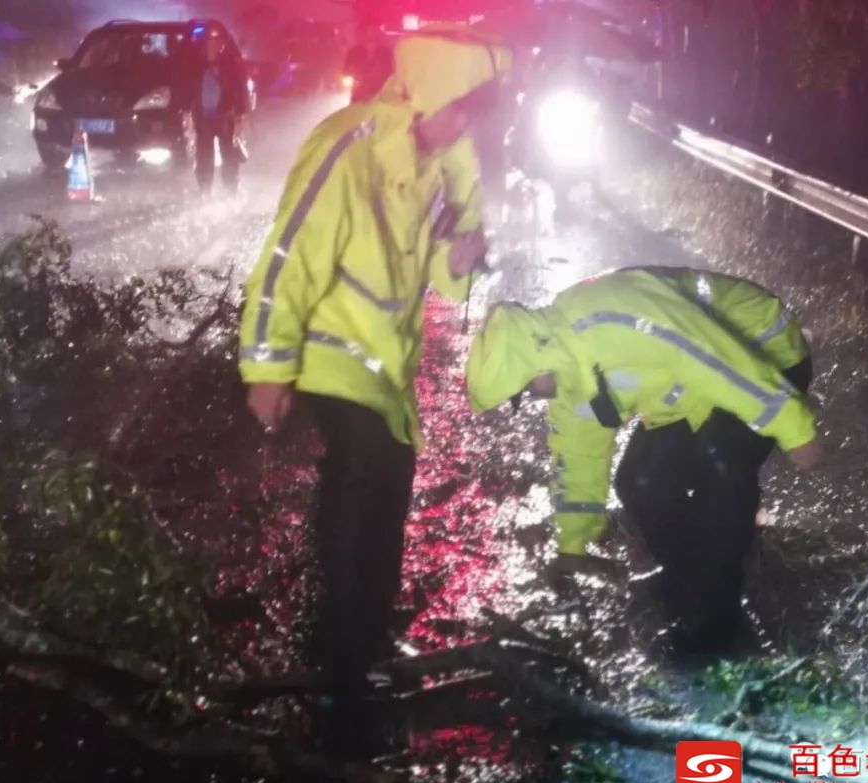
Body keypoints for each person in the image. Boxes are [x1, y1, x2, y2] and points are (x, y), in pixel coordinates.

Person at [239, 29, 512, 717]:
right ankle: (334, 649)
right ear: (427, 98)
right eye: (460, 107)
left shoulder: (440, 160)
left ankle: (362, 641)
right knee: (358, 483)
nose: (466, 122)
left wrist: (464, 251)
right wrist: (267, 365)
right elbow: (289, 255)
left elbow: (443, 270)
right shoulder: (348, 144)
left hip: (387, 364)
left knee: (387, 490)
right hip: (332, 354)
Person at [465, 266, 822, 654]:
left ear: (536, 362)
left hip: (760, 355)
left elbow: (715, 359)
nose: (531, 400)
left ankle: (716, 634)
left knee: (719, 481)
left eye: (524, 391)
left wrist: (794, 428)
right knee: (638, 481)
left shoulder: (611, 317)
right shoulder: (569, 371)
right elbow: (577, 455)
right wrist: (573, 545)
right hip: (692, 392)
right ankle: (692, 576)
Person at [192, 27, 249, 194]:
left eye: (216, 43)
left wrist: (240, 113)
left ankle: (231, 189)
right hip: (203, 118)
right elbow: (189, 88)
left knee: (229, 156)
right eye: (209, 43)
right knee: (204, 157)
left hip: (224, 117)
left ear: (221, 45)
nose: (213, 47)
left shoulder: (230, 65)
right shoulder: (196, 65)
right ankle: (205, 190)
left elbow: (238, 89)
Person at [342, 22, 394, 103]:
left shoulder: (385, 52)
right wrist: (351, 75)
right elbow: (347, 69)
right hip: (359, 92)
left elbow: (390, 71)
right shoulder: (354, 51)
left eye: (373, 31)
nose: (370, 34)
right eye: (367, 31)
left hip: (380, 93)